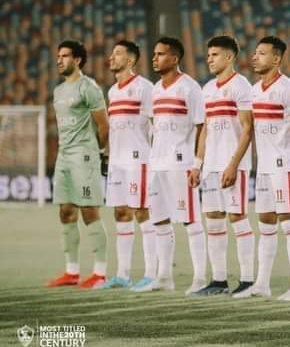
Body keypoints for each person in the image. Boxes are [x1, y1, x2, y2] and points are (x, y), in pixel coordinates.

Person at [234, 36, 290, 300]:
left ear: (276, 58)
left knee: (289, 224)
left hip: (284, 166)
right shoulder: (254, 90)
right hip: (263, 167)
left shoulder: (287, 89)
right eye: (255, 53)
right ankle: (262, 283)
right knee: (265, 223)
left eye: (261, 53)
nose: (255, 57)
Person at [188, 35, 255, 296]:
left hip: (232, 164)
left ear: (229, 56)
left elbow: (248, 129)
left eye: (214, 55)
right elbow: (205, 129)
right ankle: (218, 281)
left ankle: (248, 281)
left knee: (237, 217)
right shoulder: (207, 89)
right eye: (208, 55)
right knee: (213, 220)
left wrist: (233, 165)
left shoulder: (241, 85)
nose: (209, 59)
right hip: (211, 166)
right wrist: (197, 165)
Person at [139, 37, 206, 294]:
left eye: (160, 54)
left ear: (174, 58)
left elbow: (202, 127)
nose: (154, 58)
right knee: (159, 220)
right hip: (157, 165)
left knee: (190, 220)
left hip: (181, 164)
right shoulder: (156, 89)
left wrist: (197, 163)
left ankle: (200, 278)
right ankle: (164, 277)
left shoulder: (190, 88)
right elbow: (154, 126)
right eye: (154, 54)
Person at [47, 40, 110, 289]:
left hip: (84, 156)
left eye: (64, 56)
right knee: (65, 211)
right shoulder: (59, 91)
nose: (59, 60)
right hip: (64, 156)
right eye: (58, 56)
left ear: (77, 60)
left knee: (89, 211)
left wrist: (98, 152)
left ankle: (100, 273)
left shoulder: (89, 88)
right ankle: (71, 272)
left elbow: (104, 126)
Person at [101, 40, 157, 291]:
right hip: (117, 161)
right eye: (112, 54)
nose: (112, 57)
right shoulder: (113, 91)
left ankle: (151, 274)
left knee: (143, 212)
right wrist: (107, 154)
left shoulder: (145, 88)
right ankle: (123, 275)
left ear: (131, 59)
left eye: (118, 53)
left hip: (138, 159)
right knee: (121, 213)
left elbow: (155, 124)